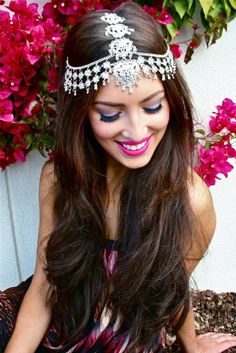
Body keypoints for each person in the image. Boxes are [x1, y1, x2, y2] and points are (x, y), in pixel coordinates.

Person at [1, 2, 236, 353]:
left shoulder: (190, 198)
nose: (137, 130)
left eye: (153, 107)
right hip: (64, 326)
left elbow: (171, 288)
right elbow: (45, 285)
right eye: (110, 114)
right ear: (82, 114)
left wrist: (193, 345)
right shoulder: (59, 179)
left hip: (128, 340)